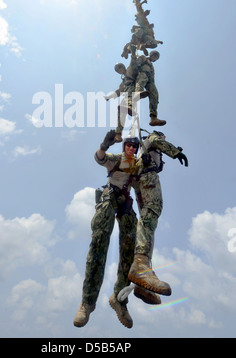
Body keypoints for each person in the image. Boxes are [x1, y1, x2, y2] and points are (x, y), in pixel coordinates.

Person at [73, 130, 154, 329]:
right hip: (110, 198)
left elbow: (148, 179)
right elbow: (99, 158)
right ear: (123, 146)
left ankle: (120, 299)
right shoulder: (116, 159)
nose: (132, 149)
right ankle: (87, 302)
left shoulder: (137, 165)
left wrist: (149, 159)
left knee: (131, 251)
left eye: (135, 146)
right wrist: (104, 144)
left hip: (126, 203)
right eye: (129, 145)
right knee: (99, 243)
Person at [127, 131, 188, 295]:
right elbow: (155, 139)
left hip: (140, 182)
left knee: (146, 222)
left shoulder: (145, 151)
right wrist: (176, 152)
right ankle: (140, 266)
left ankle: (142, 279)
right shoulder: (152, 139)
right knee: (152, 212)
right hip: (147, 178)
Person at [104, 48, 148, 142]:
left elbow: (133, 62)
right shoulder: (123, 82)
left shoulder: (130, 70)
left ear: (123, 67)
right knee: (120, 112)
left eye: (120, 67)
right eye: (118, 69)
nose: (120, 70)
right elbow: (119, 91)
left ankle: (130, 106)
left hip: (133, 90)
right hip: (126, 94)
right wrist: (109, 97)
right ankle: (118, 133)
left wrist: (132, 52)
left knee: (129, 97)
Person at [134, 51, 166, 127]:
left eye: (156, 58)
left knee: (154, 94)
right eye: (154, 56)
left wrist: (152, 84)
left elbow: (152, 77)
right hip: (141, 73)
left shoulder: (151, 66)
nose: (154, 58)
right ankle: (137, 92)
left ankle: (153, 117)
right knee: (143, 78)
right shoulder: (143, 57)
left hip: (150, 80)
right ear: (151, 54)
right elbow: (135, 65)